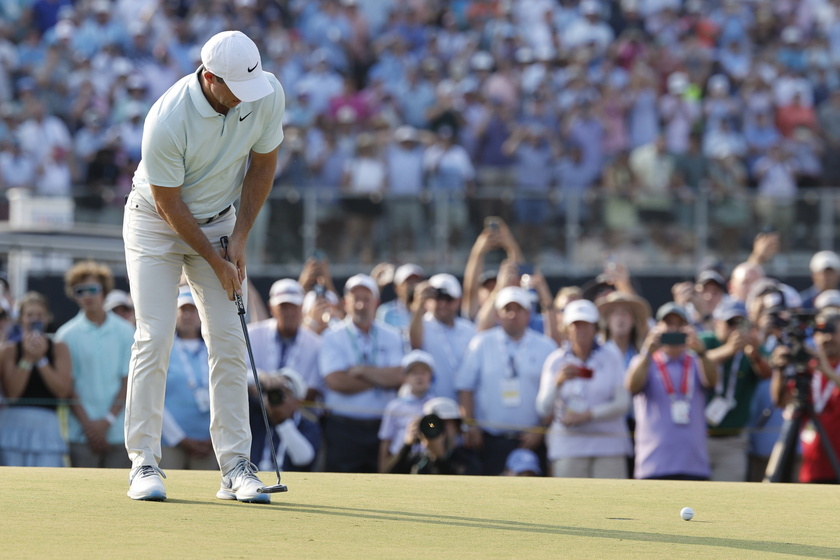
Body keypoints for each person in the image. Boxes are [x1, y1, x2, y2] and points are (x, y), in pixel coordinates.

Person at [121, 30, 286, 502]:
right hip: (154, 222)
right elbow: (169, 205)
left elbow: (263, 165)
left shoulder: (265, 92)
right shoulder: (167, 119)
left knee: (230, 341)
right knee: (155, 335)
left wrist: (239, 238)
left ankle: (235, 466)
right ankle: (144, 463)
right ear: (210, 78)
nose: (246, 97)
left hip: (220, 223)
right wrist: (214, 260)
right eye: (236, 86)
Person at [457, 286, 557, 475]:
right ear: (497, 314)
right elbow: (465, 388)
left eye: (518, 309)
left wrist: (541, 429)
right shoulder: (481, 342)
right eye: (507, 309)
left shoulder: (546, 346)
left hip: (532, 440)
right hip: (490, 440)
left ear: (529, 314)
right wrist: (469, 425)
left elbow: (556, 394)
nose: (513, 314)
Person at [318, 274, 405, 473]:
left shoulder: (392, 335)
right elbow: (336, 381)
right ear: (345, 302)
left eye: (366, 299)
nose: (361, 305)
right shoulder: (332, 336)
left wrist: (361, 371)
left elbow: (399, 376)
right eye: (356, 299)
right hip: (343, 429)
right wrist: (380, 379)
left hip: (382, 427)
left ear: (376, 302)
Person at [537, 300, 632, 478]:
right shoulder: (555, 361)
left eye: (586, 325)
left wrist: (588, 415)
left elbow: (622, 403)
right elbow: (543, 408)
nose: (581, 330)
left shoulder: (611, 356)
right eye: (575, 325)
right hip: (567, 448)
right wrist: (558, 382)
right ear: (566, 329)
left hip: (608, 447)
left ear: (595, 328)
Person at [56, 260, 135, 470]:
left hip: (120, 433)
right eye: (80, 290)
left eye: (93, 289)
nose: (87, 295)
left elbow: (128, 381)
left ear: (104, 290)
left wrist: (106, 422)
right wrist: (91, 427)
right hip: (80, 434)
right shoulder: (65, 335)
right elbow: (67, 387)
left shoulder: (126, 332)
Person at [625, 302, 718, 480]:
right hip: (653, 464)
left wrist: (702, 352)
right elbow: (631, 387)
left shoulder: (697, 360)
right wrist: (647, 351)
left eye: (679, 325)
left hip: (694, 465)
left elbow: (712, 381)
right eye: (669, 324)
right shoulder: (645, 360)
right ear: (658, 328)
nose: (674, 330)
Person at [700, 300, 771, 482]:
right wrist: (729, 350)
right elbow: (697, 360)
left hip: (734, 441)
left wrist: (754, 353)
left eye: (741, 324)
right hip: (698, 438)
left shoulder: (752, 349)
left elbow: (766, 373)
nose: (736, 329)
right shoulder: (707, 341)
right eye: (730, 323)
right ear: (717, 323)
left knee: (727, 498)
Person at [0, 292, 72, 466]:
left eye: (39, 315)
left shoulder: (59, 348)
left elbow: (62, 391)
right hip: (13, 426)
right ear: (21, 319)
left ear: (47, 317)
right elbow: (13, 393)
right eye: (29, 315)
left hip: (47, 426)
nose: (34, 319)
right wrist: (27, 359)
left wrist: (41, 360)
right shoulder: (9, 350)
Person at [770, 311, 840, 484]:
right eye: (821, 331)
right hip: (810, 468)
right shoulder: (808, 369)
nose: (827, 338)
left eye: (832, 331)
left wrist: (827, 371)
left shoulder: (826, 369)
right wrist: (779, 370)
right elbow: (781, 401)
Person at [159, 287, 216, 471]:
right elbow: (156, 398)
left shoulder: (214, 349)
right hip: (171, 442)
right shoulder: (163, 349)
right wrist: (180, 439)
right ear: (175, 315)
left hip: (209, 442)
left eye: (193, 310)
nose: (188, 316)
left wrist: (214, 437)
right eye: (183, 310)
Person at [247, 279, 324, 405]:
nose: (289, 313)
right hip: (256, 410)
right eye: (283, 307)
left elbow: (313, 389)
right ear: (271, 308)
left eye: (293, 307)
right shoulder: (252, 334)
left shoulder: (316, 343)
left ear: (301, 308)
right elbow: (239, 373)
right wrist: (261, 378)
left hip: (297, 416)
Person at [408, 274, 476, 401]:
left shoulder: (469, 330)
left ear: (458, 301)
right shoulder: (421, 325)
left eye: (448, 299)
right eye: (438, 299)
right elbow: (414, 343)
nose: (443, 304)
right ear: (428, 300)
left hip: (463, 405)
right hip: (430, 406)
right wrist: (418, 304)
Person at [383, 396, 480, 475]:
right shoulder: (418, 459)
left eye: (443, 424)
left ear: (457, 428)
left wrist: (441, 457)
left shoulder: (467, 460)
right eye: (431, 424)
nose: (437, 429)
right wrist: (406, 446)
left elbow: (460, 488)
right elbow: (388, 477)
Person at [250, 368, 321, 473]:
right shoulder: (256, 415)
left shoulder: (308, 426)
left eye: (283, 393)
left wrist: (282, 421)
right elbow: (233, 380)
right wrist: (261, 377)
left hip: (290, 484)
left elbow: (304, 459)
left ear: (298, 402)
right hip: (253, 481)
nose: (274, 398)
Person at [378, 350, 434, 472]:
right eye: (414, 373)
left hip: (429, 461)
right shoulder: (394, 406)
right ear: (405, 378)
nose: (419, 377)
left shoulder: (436, 405)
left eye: (423, 372)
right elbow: (386, 441)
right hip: (400, 460)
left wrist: (428, 425)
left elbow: (435, 427)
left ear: (430, 376)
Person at [376, 263, 425, 336]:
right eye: (408, 282)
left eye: (416, 281)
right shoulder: (385, 311)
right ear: (396, 287)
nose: (413, 285)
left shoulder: (429, 311)